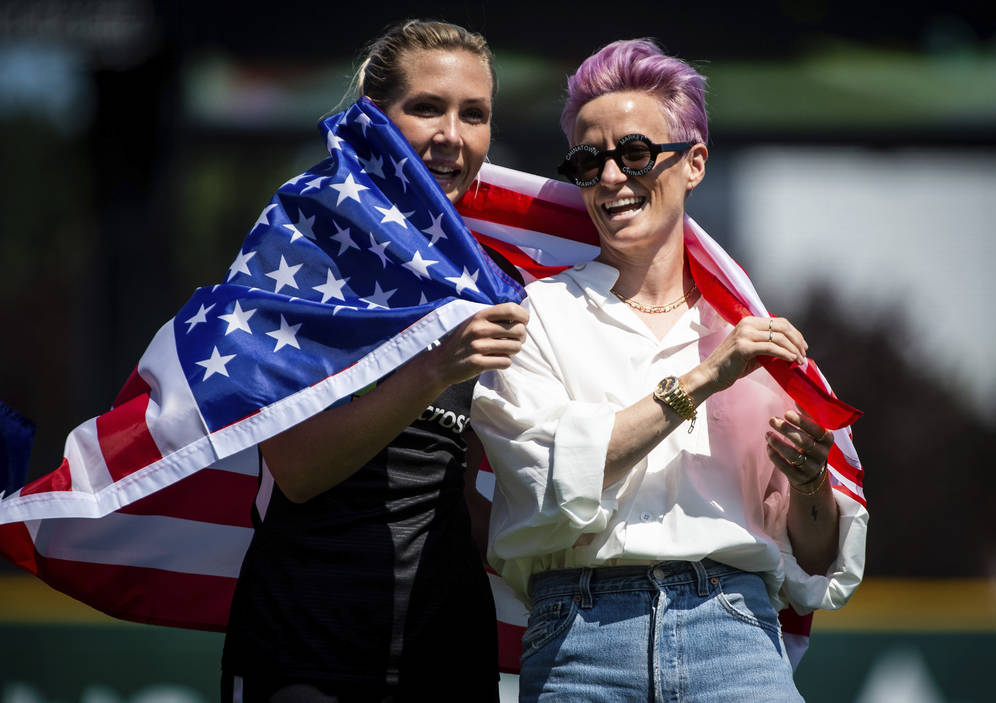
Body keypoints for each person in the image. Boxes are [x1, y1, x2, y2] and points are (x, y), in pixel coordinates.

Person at [472, 39, 867, 701]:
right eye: (588, 161)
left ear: (695, 163)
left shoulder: (753, 336)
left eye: (633, 154)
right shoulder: (532, 316)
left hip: (737, 638)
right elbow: (551, 481)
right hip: (579, 645)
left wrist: (808, 485)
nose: (611, 179)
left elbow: (818, 563)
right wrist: (705, 378)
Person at [220, 20, 529, 702]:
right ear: (373, 116)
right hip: (306, 656)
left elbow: (464, 491)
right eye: (427, 107)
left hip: (448, 655)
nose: (453, 134)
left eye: (473, 114)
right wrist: (434, 370)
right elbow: (296, 470)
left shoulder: (488, 277)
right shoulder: (299, 247)